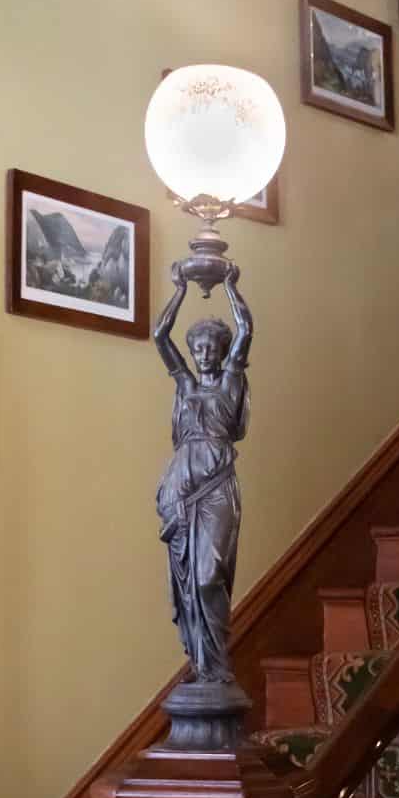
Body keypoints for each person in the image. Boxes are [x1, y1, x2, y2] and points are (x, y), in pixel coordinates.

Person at [153, 260, 252, 685]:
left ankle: (217, 665)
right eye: (199, 349)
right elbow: (160, 336)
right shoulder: (185, 385)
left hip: (215, 489)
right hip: (180, 489)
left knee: (211, 574)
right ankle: (201, 666)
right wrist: (179, 289)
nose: (205, 354)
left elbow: (246, 329)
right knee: (189, 583)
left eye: (213, 346)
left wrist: (229, 286)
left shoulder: (231, 379)